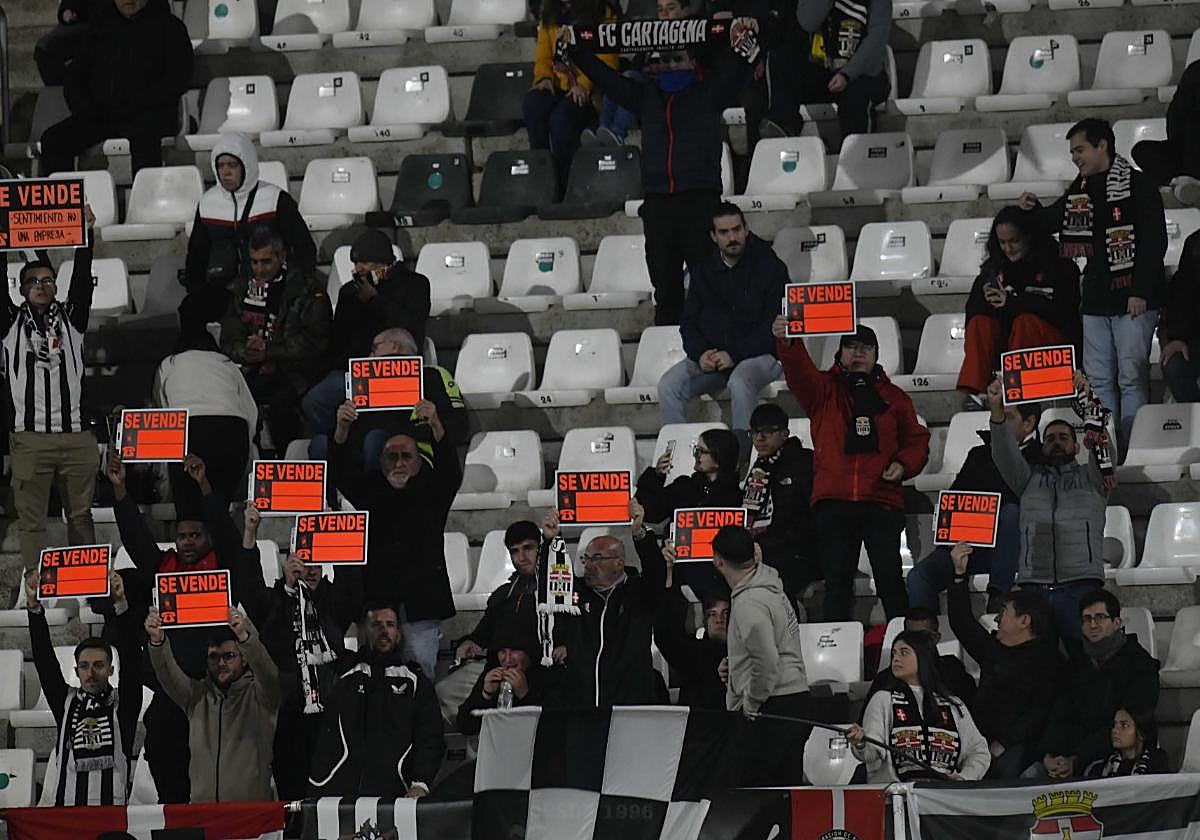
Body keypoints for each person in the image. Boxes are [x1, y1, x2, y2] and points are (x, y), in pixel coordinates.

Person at [567, 21, 759, 324]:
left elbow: (742, 64)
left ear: (693, 62)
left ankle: (711, 354)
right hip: (658, 206)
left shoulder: (709, 93)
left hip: (700, 203)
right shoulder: (646, 96)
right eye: (666, 60)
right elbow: (606, 77)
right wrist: (577, 51)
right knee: (666, 291)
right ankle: (667, 350)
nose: (671, 66)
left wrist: (747, 35)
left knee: (707, 289)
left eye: (678, 59)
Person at [105, 451, 261, 803]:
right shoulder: (163, 567)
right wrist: (120, 491)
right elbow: (135, 538)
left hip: (216, 687)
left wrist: (203, 485)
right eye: (182, 536)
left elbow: (224, 529)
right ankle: (172, 813)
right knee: (159, 744)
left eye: (194, 535)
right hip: (173, 687)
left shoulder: (225, 571)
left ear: (207, 539)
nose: (187, 542)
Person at [1019, 118, 1167, 451]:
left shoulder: (1139, 185)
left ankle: (1134, 447)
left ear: (1103, 146)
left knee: (1130, 378)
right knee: (1099, 383)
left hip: (1133, 299)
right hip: (1096, 300)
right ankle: (1108, 451)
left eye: (1080, 149)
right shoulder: (1080, 188)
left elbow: (1154, 242)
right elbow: (1053, 219)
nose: (1075, 158)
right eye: (1072, 152)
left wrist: (1140, 291)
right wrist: (1030, 211)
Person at [773, 319, 930, 621]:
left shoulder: (895, 397)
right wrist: (788, 342)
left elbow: (916, 441)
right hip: (833, 502)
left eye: (866, 348)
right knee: (837, 586)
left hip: (881, 500)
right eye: (851, 347)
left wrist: (902, 464)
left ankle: (903, 647)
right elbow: (798, 372)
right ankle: (837, 656)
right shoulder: (821, 390)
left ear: (875, 354)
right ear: (840, 352)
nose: (858, 354)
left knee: (891, 583)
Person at [330, 404, 461, 680]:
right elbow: (341, 472)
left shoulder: (433, 493)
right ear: (381, 462)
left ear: (419, 461)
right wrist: (342, 428)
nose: (399, 463)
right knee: (375, 677)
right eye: (391, 457)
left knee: (421, 678)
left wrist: (436, 424)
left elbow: (450, 468)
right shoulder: (369, 491)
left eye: (406, 457)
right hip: (378, 604)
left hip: (421, 605)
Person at [3, 206, 99, 572]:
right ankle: (36, 590)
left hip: (76, 436)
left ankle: (87, 585)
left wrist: (85, 234)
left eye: (48, 280)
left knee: (81, 517)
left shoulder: (72, 317)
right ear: (22, 288)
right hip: (30, 438)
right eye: (34, 281)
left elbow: (81, 278)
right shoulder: (10, 322)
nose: (42, 286)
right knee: (32, 524)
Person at [247, 507, 363, 801]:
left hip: (329, 717)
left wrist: (338, 534)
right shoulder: (276, 599)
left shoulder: (333, 599)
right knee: (292, 800)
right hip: (287, 717)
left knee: (331, 799)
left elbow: (354, 587)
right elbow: (267, 631)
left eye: (317, 562)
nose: (311, 569)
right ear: (290, 562)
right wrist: (250, 533)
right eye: (304, 561)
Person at [983, 375, 1110, 638]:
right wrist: (996, 410)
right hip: (1033, 589)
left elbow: (1104, 448)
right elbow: (1003, 452)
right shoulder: (1027, 480)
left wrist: (1089, 403)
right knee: (1037, 670)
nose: (1056, 442)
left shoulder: (1093, 479)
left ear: (1076, 447)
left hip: (1081, 587)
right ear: (1042, 446)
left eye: (1064, 437)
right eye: (1050, 438)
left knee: (1079, 664)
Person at [658, 204, 789, 435]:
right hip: (716, 359)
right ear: (713, 236)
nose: (732, 238)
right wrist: (701, 354)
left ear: (746, 230)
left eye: (736, 230)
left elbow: (773, 325)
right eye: (724, 232)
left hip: (761, 355)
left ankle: (742, 457)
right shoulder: (703, 270)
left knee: (739, 381)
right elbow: (689, 323)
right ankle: (678, 454)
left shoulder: (770, 266)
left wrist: (734, 354)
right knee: (668, 385)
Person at [905, 401, 1042, 614]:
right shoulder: (978, 455)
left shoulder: (1042, 459)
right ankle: (923, 636)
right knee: (919, 576)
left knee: (1011, 514)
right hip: (971, 548)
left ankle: (998, 596)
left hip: (1019, 552)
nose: (999, 422)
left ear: (1029, 423)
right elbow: (954, 501)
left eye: (1008, 417)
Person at [302, 230, 432, 449]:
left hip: (395, 372)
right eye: (356, 263)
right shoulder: (349, 292)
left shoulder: (415, 285)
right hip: (353, 372)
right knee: (315, 399)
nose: (358, 269)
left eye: (365, 263)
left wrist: (375, 300)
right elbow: (339, 340)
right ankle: (339, 441)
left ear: (382, 263)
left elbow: (411, 329)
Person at [25, 570, 140, 806]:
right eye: (85, 666)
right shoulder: (65, 702)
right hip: (69, 815)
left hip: (113, 815)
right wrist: (34, 608)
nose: (91, 672)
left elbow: (132, 659)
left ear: (110, 669)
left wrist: (120, 604)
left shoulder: (125, 703)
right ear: (76, 671)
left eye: (99, 665)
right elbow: (45, 662)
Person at [180, 133, 316, 332]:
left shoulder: (274, 199)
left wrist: (292, 285)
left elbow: (303, 247)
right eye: (221, 166)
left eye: (232, 165)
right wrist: (197, 290)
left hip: (272, 286)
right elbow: (197, 256)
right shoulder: (208, 204)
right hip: (225, 289)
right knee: (190, 308)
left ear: (247, 165)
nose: (225, 172)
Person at [39, 0, 193, 175]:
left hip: (149, 113)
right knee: (54, 141)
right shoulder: (99, 29)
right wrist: (85, 108)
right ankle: (65, 201)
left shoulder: (170, 27)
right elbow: (75, 77)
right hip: (102, 115)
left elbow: (178, 79)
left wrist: (139, 103)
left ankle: (146, 199)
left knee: (145, 136)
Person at [307, 603, 444, 798]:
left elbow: (430, 736)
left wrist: (420, 783)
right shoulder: (345, 675)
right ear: (365, 632)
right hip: (340, 793)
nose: (384, 630)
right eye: (376, 625)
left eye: (390, 625)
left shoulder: (416, 682)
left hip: (397, 793)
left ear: (398, 634)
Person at [145, 606, 280, 803]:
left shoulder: (261, 696)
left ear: (244, 659)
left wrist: (244, 636)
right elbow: (168, 675)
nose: (221, 663)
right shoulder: (196, 697)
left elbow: (267, 672)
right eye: (214, 657)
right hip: (205, 814)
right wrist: (158, 641)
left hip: (252, 816)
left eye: (229, 656)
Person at [948, 542, 1061, 778]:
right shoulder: (993, 648)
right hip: (981, 741)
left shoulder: (1048, 660)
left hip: (1019, 746)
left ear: (1024, 621)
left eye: (1005, 612)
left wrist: (1004, 743)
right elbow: (961, 622)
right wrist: (959, 576)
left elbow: (1039, 712)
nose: (998, 618)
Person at [220, 225, 332, 456]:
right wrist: (247, 350)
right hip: (252, 369)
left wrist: (269, 351)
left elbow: (316, 341)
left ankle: (285, 464)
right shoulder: (240, 289)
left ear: (282, 257)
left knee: (282, 408)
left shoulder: (308, 289)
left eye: (266, 262)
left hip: (295, 372)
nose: (259, 269)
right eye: (254, 262)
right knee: (226, 400)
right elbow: (230, 338)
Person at [713, 525, 810, 786]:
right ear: (755, 553)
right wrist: (736, 667)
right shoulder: (772, 589)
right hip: (792, 699)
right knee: (785, 792)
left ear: (717, 560)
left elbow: (766, 661)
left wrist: (751, 704)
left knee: (756, 795)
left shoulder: (749, 603)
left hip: (772, 705)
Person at [544, 504, 668, 706]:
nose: (589, 565)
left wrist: (640, 533)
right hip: (583, 707)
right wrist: (551, 539)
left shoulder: (639, 593)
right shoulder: (579, 593)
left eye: (597, 558)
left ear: (619, 563)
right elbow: (556, 575)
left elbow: (656, 570)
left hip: (629, 707)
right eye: (586, 559)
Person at [1032, 590, 1160, 781]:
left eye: (1100, 617)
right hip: (1067, 755)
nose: (1093, 624)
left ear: (1117, 623)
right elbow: (1060, 712)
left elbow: (1129, 725)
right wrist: (1049, 755)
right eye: (1086, 619)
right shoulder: (1075, 663)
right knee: (1030, 776)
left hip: (1114, 757)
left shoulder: (1141, 666)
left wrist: (1078, 759)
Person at [957, 206, 1081, 399]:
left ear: (1029, 236)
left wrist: (1014, 302)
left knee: (1026, 323)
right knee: (980, 322)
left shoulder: (1060, 266)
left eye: (1014, 241)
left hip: (1053, 347)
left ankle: (1019, 390)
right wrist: (989, 303)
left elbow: (1063, 313)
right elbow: (973, 316)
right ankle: (975, 391)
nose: (1008, 248)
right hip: (1008, 347)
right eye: (1002, 242)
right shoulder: (993, 269)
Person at [308, 327, 467, 475]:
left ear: (394, 347)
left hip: (413, 453)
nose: (370, 355)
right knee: (320, 444)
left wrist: (433, 422)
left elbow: (460, 425)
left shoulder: (433, 375)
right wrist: (343, 424)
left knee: (376, 440)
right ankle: (328, 503)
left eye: (374, 348)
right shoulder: (360, 380)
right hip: (360, 451)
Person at [849, 631, 990, 783]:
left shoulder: (953, 705)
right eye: (894, 653)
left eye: (904, 653)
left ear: (924, 657)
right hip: (896, 798)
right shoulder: (883, 699)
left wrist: (965, 778)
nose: (896, 658)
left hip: (942, 799)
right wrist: (860, 743)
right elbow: (871, 753)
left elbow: (979, 751)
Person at [152, 329, 258, 512]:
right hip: (232, 431)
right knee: (220, 510)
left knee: (189, 512)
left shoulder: (169, 363)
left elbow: (163, 413)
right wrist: (244, 445)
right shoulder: (227, 363)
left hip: (187, 431)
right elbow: (251, 411)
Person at [759, 0, 890, 141]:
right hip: (825, 71)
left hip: (861, 73)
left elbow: (876, 41)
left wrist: (847, 74)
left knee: (856, 96)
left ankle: (856, 153)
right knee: (782, 57)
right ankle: (783, 126)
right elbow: (807, 22)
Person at [524, 0, 620, 186]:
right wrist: (544, 78)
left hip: (593, 88)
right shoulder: (550, 12)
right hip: (560, 84)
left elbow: (608, 59)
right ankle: (542, 178)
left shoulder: (604, 11)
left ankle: (568, 182)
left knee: (561, 118)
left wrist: (584, 84)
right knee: (533, 105)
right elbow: (543, 56)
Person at [586, 0, 688, 146]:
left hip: (667, 87)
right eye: (660, 10)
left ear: (684, 11)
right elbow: (636, 65)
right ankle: (602, 131)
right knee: (620, 79)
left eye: (671, 8)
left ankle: (617, 133)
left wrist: (660, 68)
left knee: (629, 79)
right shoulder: (653, 34)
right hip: (645, 82)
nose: (664, 14)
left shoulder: (690, 36)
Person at [742, 402, 816, 598]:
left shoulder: (804, 463)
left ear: (784, 434)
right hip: (761, 548)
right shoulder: (760, 467)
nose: (760, 438)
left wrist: (768, 545)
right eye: (755, 432)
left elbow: (811, 519)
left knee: (772, 579)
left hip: (798, 551)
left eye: (768, 432)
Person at [653, 558, 729, 709]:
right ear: (705, 620)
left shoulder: (746, 653)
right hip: (699, 725)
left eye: (725, 613)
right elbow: (666, 632)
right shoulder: (694, 654)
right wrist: (669, 574)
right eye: (712, 614)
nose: (719, 620)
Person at [866, 609, 975, 707]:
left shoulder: (954, 672)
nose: (916, 643)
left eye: (922, 637)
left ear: (936, 638)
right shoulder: (886, 678)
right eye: (911, 637)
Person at [635, 427, 743, 525]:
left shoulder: (734, 496)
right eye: (696, 449)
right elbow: (651, 513)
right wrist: (656, 475)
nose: (696, 455)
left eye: (702, 451)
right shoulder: (685, 486)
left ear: (719, 458)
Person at [1132, 59, 1200, 207]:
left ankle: (1186, 182)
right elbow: (1176, 115)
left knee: (1196, 121)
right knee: (1141, 149)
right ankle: (1180, 183)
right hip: (1184, 151)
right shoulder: (1195, 70)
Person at [455, 629, 549, 735]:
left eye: (514, 651)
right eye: (502, 651)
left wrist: (525, 695)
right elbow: (464, 726)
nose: (507, 659)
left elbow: (552, 729)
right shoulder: (493, 674)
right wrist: (486, 695)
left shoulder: (545, 674)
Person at [1157, 229, 1200, 402]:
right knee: (1174, 364)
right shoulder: (1195, 244)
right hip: (1195, 339)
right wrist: (1177, 338)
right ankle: (1196, 421)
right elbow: (1182, 294)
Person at [1084, 708, 1170, 778]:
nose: (1115, 731)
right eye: (1114, 725)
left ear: (1141, 734)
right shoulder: (1100, 767)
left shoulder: (1157, 766)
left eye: (1124, 725)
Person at [34, 0, 99, 86]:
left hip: (92, 25)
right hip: (74, 25)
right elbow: (65, 8)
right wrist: (66, 13)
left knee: (47, 47)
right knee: (44, 47)